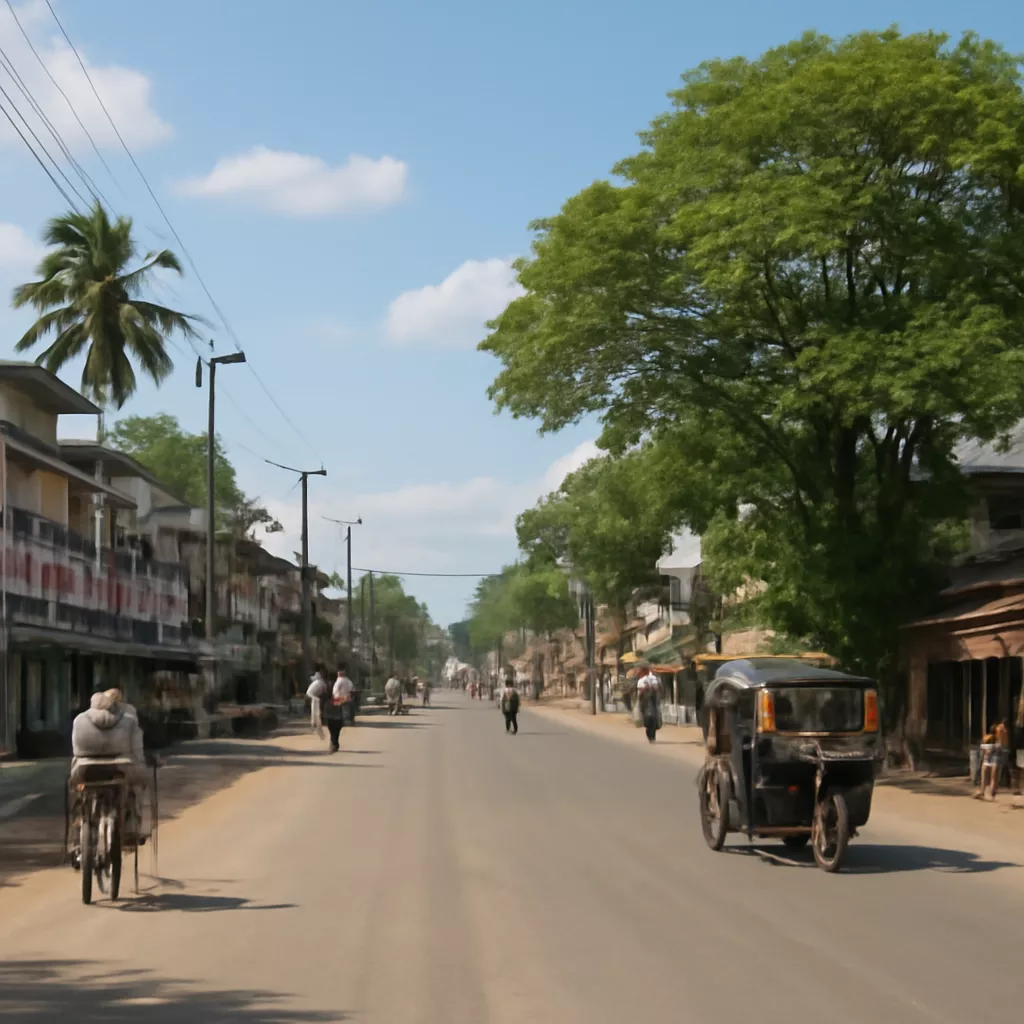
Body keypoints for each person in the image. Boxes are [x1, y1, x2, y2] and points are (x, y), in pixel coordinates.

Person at [70, 689, 150, 855]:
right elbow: (136, 750)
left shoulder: (80, 719)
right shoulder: (128, 718)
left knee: (78, 789)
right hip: (121, 768)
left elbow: (76, 749)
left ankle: (79, 825)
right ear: (116, 704)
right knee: (134, 788)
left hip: (85, 768)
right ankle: (130, 827)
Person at [323, 665, 354, 752]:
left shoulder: (337, 682)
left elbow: (334, 692)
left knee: (332, 725)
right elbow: (351, 690)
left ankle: (334, 742)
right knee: (337, 725)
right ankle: (334, 742)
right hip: (342, 703)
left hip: (333, 704)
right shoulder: (348, 681)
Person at [636, 667, 662, 743]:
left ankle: (653, 737)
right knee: (647, 722)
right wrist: (645, 688)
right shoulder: (641, 681)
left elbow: (659, 690)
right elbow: (639, 693)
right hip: (645, 704)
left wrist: (655, 688)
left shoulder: (655, 679)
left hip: (653, 704)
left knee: (653, 721)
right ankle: (649, 736)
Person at [306, 668, 328, 738]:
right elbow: (324, 691)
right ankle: (316, 725)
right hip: (315, 697)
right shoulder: (320, 682)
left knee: (315, 711)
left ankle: (315, 725)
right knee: (316, 711)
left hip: (314, 697)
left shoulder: (317, 682)